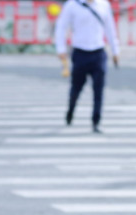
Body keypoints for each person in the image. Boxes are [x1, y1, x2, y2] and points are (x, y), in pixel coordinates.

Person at [54, 0, 121, 134]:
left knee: (99, 90)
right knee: (76, 89)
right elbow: (61, 26)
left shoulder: (103, 4)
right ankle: (70, 111)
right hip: (80, 52)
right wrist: (60, 49)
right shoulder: (72, 5)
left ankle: (96, 121)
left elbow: (110, 28)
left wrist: (115, 50)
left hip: (98, 52)